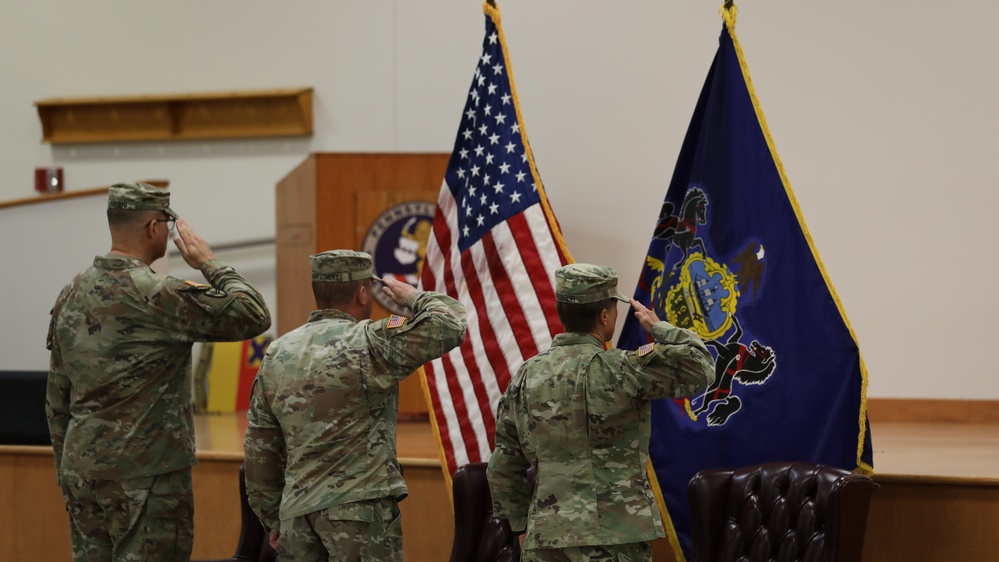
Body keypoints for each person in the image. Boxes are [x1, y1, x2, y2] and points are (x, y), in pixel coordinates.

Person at [45, 181, 272, 562]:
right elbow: (253, 314)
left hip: (82, 472)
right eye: (166, 224)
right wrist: (208, 262)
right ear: (154, 227)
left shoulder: (71, 293)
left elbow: (57, 396)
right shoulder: (157, 294)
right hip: (146, 476)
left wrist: (66, 470)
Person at [244, 249, 467, 561]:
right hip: (359, 516)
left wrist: (272, 516)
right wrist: (414, 298)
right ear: (363, 293)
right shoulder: (372, 341)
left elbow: (259, 448)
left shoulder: (277, 353)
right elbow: (451, 323)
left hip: (296, 516)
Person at [486, 263, 716, 562]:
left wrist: (521, 525)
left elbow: (502, 464)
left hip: (546, 538)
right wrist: (659, 328)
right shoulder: (623, 368)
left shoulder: (525, 376)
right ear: (604, 315)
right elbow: (701, 366)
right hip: (614, 538)